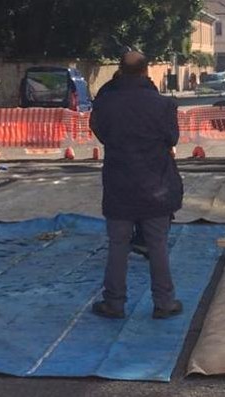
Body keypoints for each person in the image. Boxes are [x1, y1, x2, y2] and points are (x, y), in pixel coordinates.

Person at [89, 51, 184, 320]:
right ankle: (164, 302)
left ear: (119, 70)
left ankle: (114, 303)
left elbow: (101, 132)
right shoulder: (162, 105)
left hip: (119, 182)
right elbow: (172, 138)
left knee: (118, 245)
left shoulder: (106, 104)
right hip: (156, 185)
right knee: (157, 245)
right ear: (146, 70)